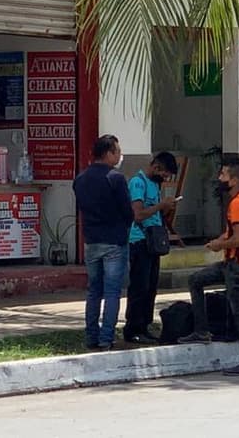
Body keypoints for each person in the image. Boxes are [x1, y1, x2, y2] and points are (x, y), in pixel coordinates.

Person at [178, 158, 239, 375]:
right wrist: (222, 239)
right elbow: (235, 234)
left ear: (234, 180)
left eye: (223, 175)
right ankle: (201, 330)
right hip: (235, 263)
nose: (220, 179)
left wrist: (219, 244)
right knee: (196, 280)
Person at [73, 134, 134, 351]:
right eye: (117, 151)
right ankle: (106, 337)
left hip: (91, 240)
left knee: (93, 290)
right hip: (114, 241)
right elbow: (128, 212)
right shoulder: (115, 178)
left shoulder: (80, 179)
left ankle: (91, 335)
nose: (119, 155)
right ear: (108, 153)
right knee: (111, 292)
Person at [123, 152, 179, 343]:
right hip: (139, 240)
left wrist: (166, 207)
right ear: (156, 167)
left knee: (151, 286)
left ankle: (145, 324)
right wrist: (160, 205)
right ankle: (133, 328)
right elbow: (138, 214)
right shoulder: (138, 183)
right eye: (164, 175)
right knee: (140, 286)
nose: (165, 179)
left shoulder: (155, 185)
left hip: (152, 241)